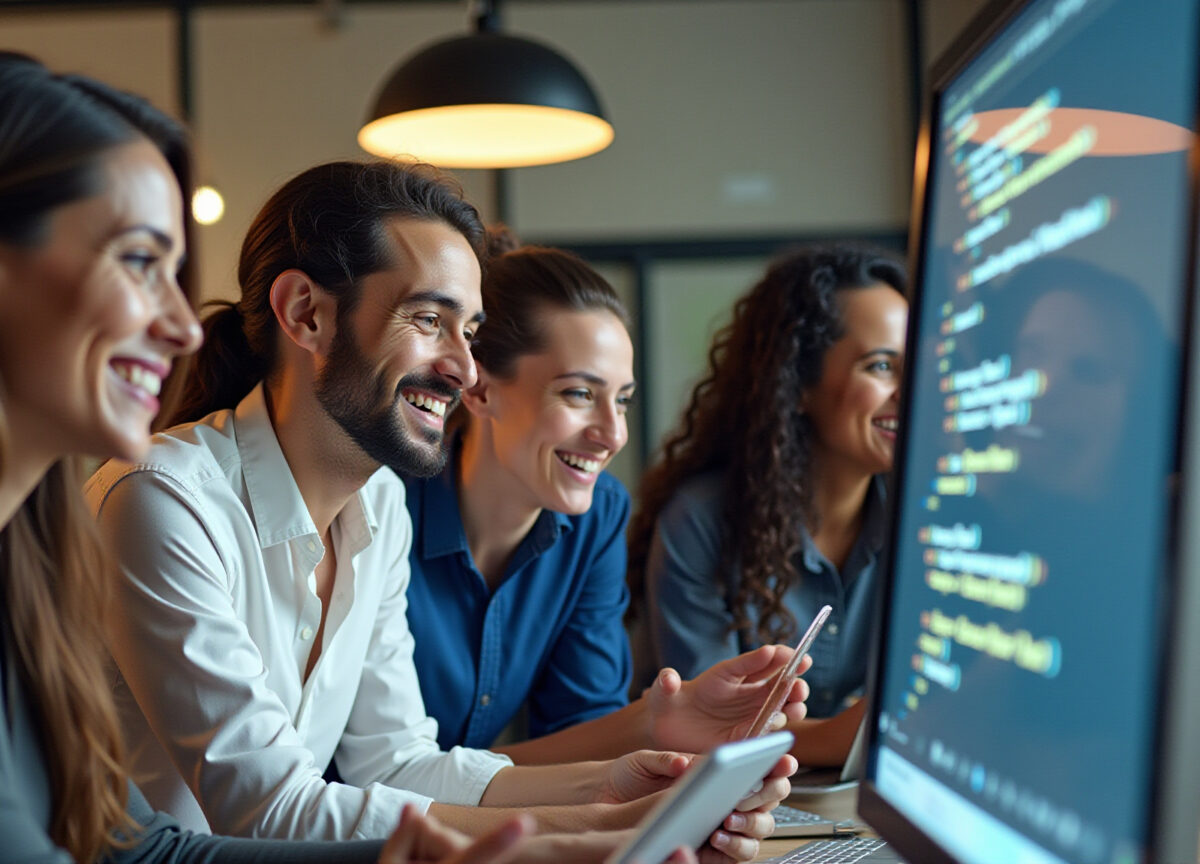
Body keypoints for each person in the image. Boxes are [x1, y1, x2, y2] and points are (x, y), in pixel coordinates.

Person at [0, 52, 528, 864]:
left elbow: (135, 847)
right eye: (140, 262)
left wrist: (411, 854)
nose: (184, 325)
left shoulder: (18, 560)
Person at [86, 161, 796, 859]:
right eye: (429, 318)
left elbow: (396, 762)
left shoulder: (382, 504)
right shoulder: (160, 498)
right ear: (306, 313)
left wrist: (614, 785)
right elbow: (269, 808)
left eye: (471, 330)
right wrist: (604, 830)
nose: (465, 368)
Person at [402, 236, 813, 767]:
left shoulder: (598, 515)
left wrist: (664, 746)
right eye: (578, 394)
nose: (612, 434)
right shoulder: (381, 508)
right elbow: (376, 773)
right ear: (478, 388)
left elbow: (582, 732)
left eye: (622, 400)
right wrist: (645, 729)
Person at [628, 243, 908, 767]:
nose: (910, 389)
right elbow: (700, 732)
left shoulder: (925, 523)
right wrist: (851, 736)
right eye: (881, 366)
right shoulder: (700, 523)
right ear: (798, 386)